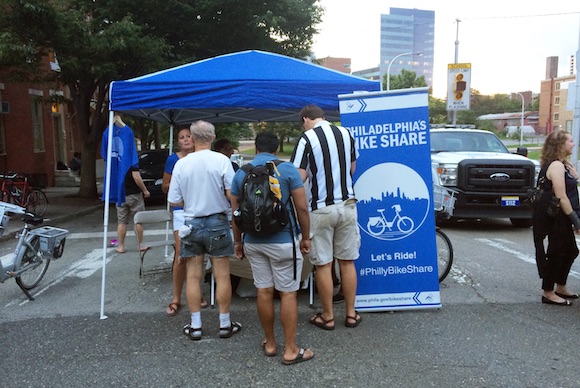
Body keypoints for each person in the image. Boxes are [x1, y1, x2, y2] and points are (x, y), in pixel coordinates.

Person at [231, 131, 314, 365]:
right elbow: (302, 208)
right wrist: (305, 238)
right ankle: (291, 349)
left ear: (256, 148)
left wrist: (238, 242)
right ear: (276, 149)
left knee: (264, 291)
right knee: (287, 292)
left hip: (253, 242)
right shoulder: (287, 170)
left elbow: (235, 213)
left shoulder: (242, 173)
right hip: (284, 241)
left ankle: (270, 343)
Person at [167, 120, 241, 340]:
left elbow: (174, 200)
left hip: (191, 223)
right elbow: (231, 194)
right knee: (222, 275)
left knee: (193, 275)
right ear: (212, 137)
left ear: (193, 136)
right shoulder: (221, 160)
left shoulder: (181, 164)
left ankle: (196, 324)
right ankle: (225, 323)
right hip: (217, 221)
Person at [290, 104, 362, 330]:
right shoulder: (346, 134)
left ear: (305, 119)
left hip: (321, 208)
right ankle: (351, 314)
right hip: (348, 204)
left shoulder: (306, 138)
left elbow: (298, 176)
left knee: (323, 264)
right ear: (323, 117)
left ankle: (328, 316)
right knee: (347, 262)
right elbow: (352, 169)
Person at [162, 128, 208, 316]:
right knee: (181, 256)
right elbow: (165, 186)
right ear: (178, 143)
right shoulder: (174, 160)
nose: (186, 139)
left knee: (199, 256)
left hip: (201, 210)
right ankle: (176, 298)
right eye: (182, 138)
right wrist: (179, 186)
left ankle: (197, 294)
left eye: (189, 136)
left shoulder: (203, 157)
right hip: (181, 211)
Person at [532, 129, 580, 306]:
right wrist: (576, 220)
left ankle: (560, 286)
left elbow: (571, 188)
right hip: (556, 215)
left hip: (561, 214)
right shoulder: (556, 166)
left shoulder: (563, 164)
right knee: (557, 252)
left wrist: (575, 175)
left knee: (571, 251)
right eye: (570, 141)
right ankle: (548, 292)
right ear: (560, 145)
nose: (573, 144)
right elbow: (562, 196)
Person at [101, 113, 150, 254]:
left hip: (119, 193)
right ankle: (140, 244)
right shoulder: (131, 158)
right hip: (134, 194)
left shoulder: (107, 133)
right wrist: (145, 191)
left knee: (121, 221)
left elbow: (105, 155)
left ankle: (121, 245)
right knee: (138, 220)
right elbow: (136, 177)